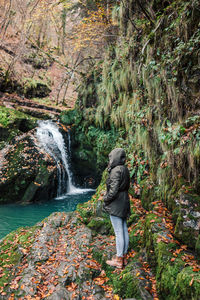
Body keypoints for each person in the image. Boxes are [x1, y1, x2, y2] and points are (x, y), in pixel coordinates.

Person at [103, 148, 130, 269]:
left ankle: (119, 260)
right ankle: (123, 257)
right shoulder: (125, 169)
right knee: (124, 229)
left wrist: (106, 199)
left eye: (111, 157)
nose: (109, 160)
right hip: (124, 201)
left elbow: (113, 191)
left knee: (119, 232)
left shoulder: (115, 171)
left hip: (116, 203)